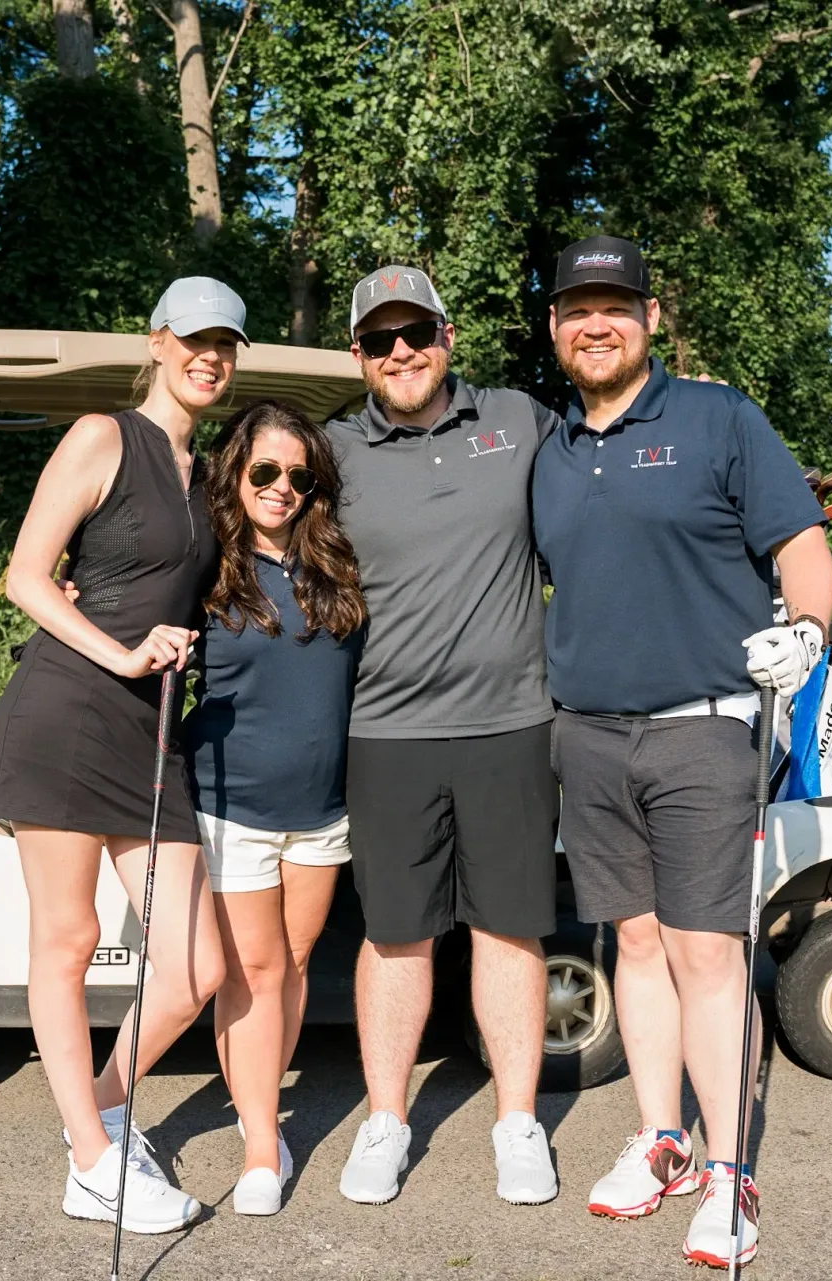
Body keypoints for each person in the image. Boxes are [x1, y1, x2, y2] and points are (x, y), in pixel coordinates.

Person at [529, 237, 832, 1269]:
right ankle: (663, 1141)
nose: (595, 323)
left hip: (706, 726)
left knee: (711, 952)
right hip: (590, 732)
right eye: (577, 309)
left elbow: (801, 548)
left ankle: (731, 1171)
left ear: (651, 318)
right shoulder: (553, 445)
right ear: (556, 328)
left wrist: (809, 629)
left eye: (615, 306)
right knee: (638, 946)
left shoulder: (719, 418)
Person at [0, 277, 245, 1235]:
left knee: (196, 964)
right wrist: (123, 649)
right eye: (196, 340)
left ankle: (100, 1108)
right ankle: (91, 1160)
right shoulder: (102, 435)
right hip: (69, 706)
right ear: (159, 342)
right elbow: (24, 577)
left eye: (227, 344)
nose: (211, 356)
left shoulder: (203, 471)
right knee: (69, 939)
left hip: (147, 727)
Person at [324, 265, 563, 1207]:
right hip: (385, 729)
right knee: (395, 935)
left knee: (510, 928)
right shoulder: (332, 452)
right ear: (358, 355)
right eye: (380, 339)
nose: (400, 352)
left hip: (511, 722)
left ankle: (518, 1122)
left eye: (415, 331)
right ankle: (387, 1119)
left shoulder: (519, 420)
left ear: (447, 334)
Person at [183, 400, 366, 1217]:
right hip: (235, 805)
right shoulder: (207, 566)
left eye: (298, 474)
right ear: (236, 472)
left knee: (290, 967)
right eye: (265, 470)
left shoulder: (334, 565)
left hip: (324, 810)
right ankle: (263, 1140)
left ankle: (262, 1109)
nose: (281, 486)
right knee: (251, 972)